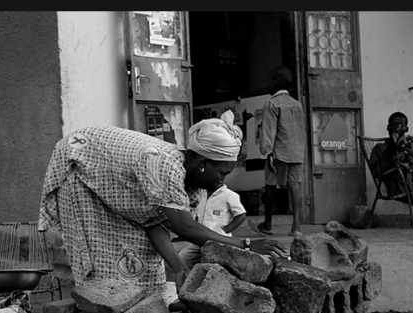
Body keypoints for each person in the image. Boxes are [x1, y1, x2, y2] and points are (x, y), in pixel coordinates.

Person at [38, 111, 290, 299]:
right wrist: (246, 244)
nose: (222, 181)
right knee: (102, 254)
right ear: (203, 162)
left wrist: (179, 268)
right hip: (79, 171)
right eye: (221, 172)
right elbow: (185, 228)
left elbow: (152, 220)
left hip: (112, 181)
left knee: (142, 255)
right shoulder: (162, 164)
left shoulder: (188, 182)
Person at [249, 66, 306, 237]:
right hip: (296, 152)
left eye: (268, 81)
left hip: (277, 153)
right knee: (295, 186)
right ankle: (296, 227)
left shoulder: (272, 104)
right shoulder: (297, 104)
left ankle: (267, 224)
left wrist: (267, 153)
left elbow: (268, 132)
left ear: (274, 82)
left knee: (270, 186)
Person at [178, 183, 247, 270]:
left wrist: (226, 229)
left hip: (220, 242)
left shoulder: (229, 195)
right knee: (183, 258)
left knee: (215, 267)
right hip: (200, 240)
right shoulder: (201, 194)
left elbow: (241, 215)